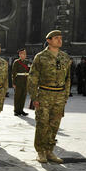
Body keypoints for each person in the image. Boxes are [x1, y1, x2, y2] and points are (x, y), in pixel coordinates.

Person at [28, 30, 71, 164]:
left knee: (54, 124)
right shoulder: (40, 57)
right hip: (45, 94)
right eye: (56, 38)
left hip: (59, 95)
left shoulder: (65, 57)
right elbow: (33, 78)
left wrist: (65, 96)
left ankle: (49, 150)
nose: (60, 40)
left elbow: (67, 78)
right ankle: (40, 151)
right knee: (42, 123)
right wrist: (34, 97)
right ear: (49, 40)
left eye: (60, 38)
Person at [12, 48, 31, 116]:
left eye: (25, 54)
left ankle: (21, 110)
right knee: (17, 96)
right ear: (20, 55)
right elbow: (14, 73)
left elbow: (30, 71)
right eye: (23, 54)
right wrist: (14, 82)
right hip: (18, 81)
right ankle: (16, 110)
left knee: (23, 96)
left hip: (25, 81)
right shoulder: (16, 62)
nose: (24, 55)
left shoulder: (27, 62)